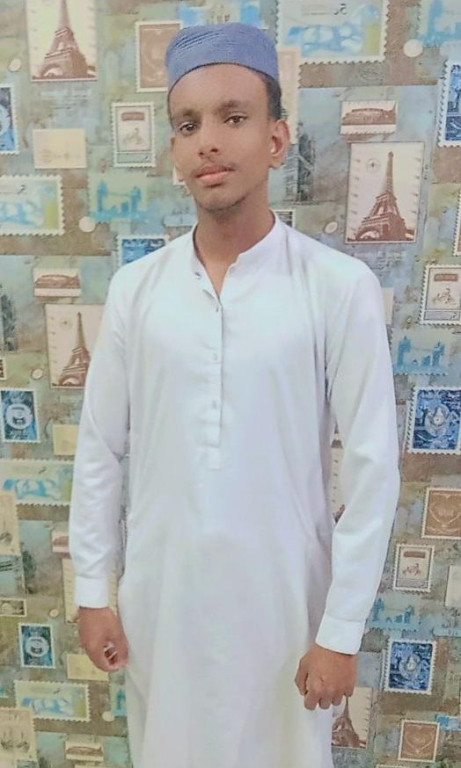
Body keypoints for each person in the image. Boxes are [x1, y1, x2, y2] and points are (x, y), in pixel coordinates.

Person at [69, 22, 401, 768]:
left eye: (233, 117)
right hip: (164, 607)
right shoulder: (137, 291)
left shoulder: (336, 287)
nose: (209, 142)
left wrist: (340, 630)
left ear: (276, 139)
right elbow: (100, 451)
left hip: (285, 609)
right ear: (173, 150)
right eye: (188, 125)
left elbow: (373, 469)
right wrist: (93, 591)